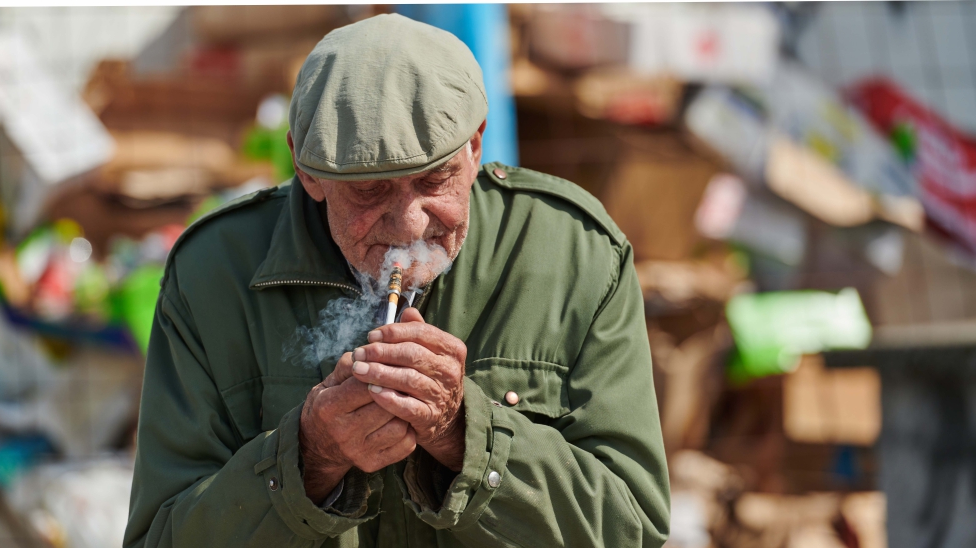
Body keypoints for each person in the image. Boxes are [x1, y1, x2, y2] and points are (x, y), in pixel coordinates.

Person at [125, 13, 669, 548]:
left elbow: (632, 527)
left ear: (475, 147)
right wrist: (308, 459)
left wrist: (466, 435)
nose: (410, 224)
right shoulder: (214, 273)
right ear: (308, 171)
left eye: (435, 180)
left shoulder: (575, 252)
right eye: (369, 191)